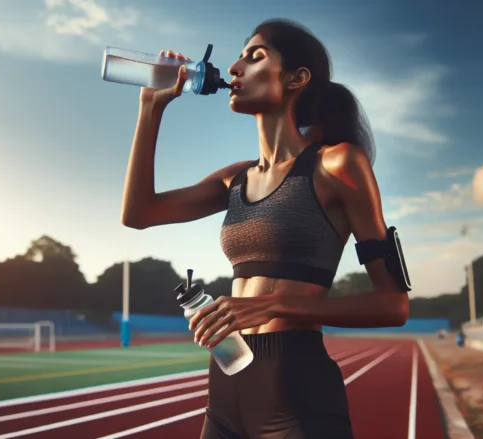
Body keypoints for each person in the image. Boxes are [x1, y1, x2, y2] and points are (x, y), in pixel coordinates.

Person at [121, 18, 411, 439]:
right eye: (239, 56)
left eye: (255, 56)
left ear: (297, 78)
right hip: (224, 390)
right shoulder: (235, 178)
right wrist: (151, 108)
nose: (235, 67)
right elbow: (139, 213)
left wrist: (272, 306)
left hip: (298, 396)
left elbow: (393, 306)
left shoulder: (338, 164)